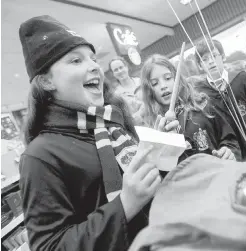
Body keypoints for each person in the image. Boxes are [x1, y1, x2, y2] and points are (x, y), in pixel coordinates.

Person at [18, 16, 177, 251]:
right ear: (46, 81)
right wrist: (125, 204)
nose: (94, 66)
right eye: (76, 60)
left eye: (93, 59)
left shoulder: (112, 123)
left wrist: (160, 147)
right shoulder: (40, 155)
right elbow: (49, 246)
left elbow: (147, 184)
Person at [140, 54, 241, 162]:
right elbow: (163, 172)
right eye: (155, 83)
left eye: (168, 78)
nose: (163, 86)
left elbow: (230, 139)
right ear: (149, 90)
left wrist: (229, 151)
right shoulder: (152, 129)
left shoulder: (202, 105)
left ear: (176, 78)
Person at [109, 56, 144, 124]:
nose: (120, 71)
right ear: (113, 74)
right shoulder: (116, 96)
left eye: (121, 67)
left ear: (126, 67)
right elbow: (125, 119)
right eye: (116, 70)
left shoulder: (141, 82)